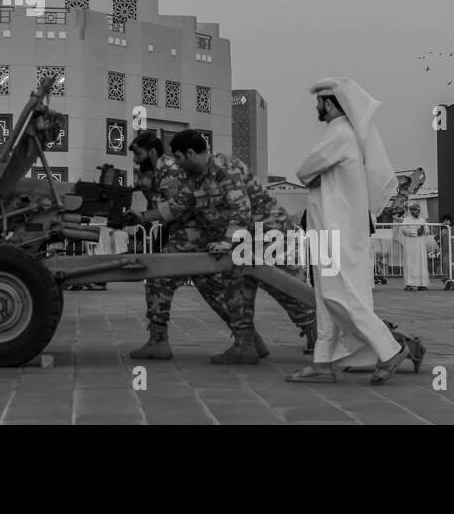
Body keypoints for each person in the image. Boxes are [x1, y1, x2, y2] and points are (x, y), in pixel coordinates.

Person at [289, 77, 423, 384]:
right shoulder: (345, 136)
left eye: (319, 101)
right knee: (326, 298)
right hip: (330, 229)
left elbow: (304, 170)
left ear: (330, 103)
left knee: (338, 295)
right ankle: (322, 362)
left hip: (336, 231)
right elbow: (311, 174)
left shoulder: (340, 135)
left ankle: (390, 349)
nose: (316, 106)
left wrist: (314, 176)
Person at [124, 130, 251, 361]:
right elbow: (177, 204)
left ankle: (158, 341)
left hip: (194, 234)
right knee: (212, 289)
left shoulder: (169, 168)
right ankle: (249, 341)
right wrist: (143, 216)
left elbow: (179, 207)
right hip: (202, 233)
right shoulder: (184, 170)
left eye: (138, 154)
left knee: (158, 275)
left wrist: (225, 241)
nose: (135, 159)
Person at [205, 151, 318, 358]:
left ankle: (319, 335)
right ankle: (244, 344)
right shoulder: (200, 175)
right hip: (248, 236)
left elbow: (240, 207)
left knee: (285, 285)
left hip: (269, 229)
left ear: (190, 153)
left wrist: (227, 241)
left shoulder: (223, 167)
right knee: (236, 284)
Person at [399, 202, 431, 290]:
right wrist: (416, 232)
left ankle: (422, 284)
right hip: (410, 245)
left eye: (415, 209)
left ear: (419, 210)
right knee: (410, 263)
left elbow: (427, 231)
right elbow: (404, 230)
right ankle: (409, 284)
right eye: (411, 210)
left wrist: (423, 231)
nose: (413, 211)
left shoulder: (422, 220)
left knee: (422, 264)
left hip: (420, 245)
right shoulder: (406, 220)